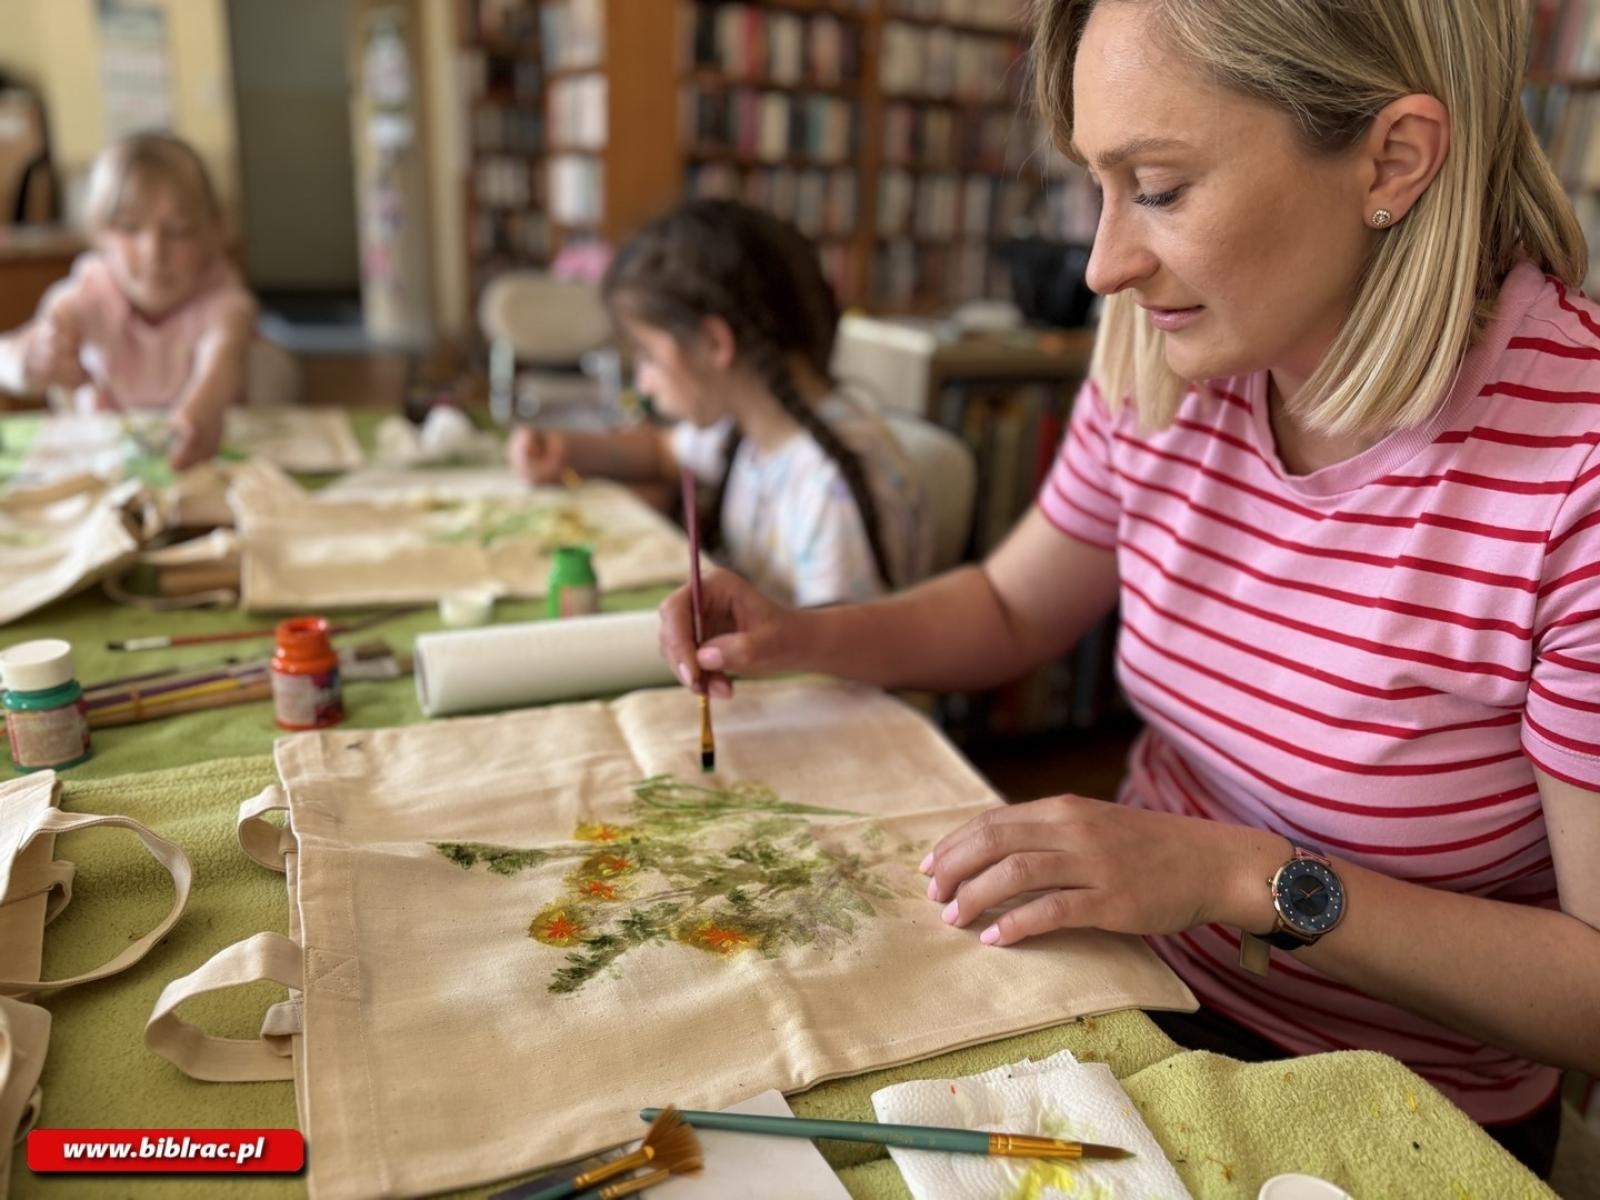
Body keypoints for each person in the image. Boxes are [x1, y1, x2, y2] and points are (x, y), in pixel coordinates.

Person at [657, 0, 1600, 1179]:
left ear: (1392, 158)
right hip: (1118, 997)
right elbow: (1010, 609)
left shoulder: (1575, 473)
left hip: (1397, 1116)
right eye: (1092, 187)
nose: (1104, 263)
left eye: (1155, 187)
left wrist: (1233, 875)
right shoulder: (1165, 354)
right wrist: (804, 633)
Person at [509, 199, 933, 608]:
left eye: (647, 356)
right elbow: (663, 452)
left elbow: (842, 667)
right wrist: (564, 449)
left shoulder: (830, 489)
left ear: (714, 342)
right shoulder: (752, 429)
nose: (643, 383)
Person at [0, 132, 296, 469]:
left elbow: (223, 362)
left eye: (178, 230)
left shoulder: (223, 298)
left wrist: (205, 407)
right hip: (103, 468)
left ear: (214, 232)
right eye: (129, 228)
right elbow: (11, 353)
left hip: (205, 464)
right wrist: (24, 363)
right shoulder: (87, 292)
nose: (154, 252)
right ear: (98, 234)